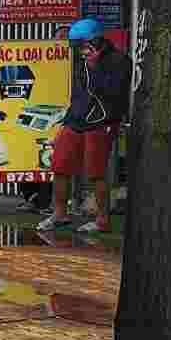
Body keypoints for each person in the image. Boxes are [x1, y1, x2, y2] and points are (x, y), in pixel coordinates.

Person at [41, 18, 131, 234]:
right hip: (76, 120)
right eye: (76, 46)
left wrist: (94, 68)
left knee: (95, 172)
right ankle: (60, 214)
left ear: (96, 42)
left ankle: (102, 220)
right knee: (60, 165)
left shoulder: (119, 61)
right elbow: (79, 94)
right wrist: (66, 121)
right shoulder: (81, 61)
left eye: (82, 45)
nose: (79, 51)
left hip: (102, 122)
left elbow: (112, 93)